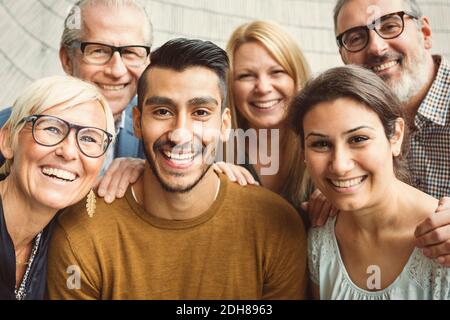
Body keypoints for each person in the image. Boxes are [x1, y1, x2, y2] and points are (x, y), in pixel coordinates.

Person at [46, 38, 307, 300]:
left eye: (201, 112)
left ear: (224, 124)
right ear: (137, 122)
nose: (180, 134)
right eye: (162, 111)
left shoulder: (277, 225)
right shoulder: (82, 231)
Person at [291, 65, 449, 299]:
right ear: (304, 151)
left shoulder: (444, 240)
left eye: (358, 139)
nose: (340, 165)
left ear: (395, 136)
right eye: (321, 144)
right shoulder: (319, 237)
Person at [330, 0, 450, 265]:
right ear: (344, 58)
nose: (376, 47)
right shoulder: (339, 126)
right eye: (356, 37)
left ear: (425, 33)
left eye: (390, 25)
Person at [0, 0, 152, 202]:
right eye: (99, 50)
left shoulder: (155, 130)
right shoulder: (10, 127)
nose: (117, 71)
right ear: (67, 59)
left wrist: (150, 173)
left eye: (131, 52)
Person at [0, 75, 115, 300]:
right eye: (52, 128)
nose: (69, 152)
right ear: (7, 140)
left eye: (90, 139)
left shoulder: (64, 240)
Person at [221, 20, 319, 218]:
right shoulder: (212, 152)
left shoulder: (325, 148)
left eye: (277, 72)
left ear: (297, 76)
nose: (263, 88)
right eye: (246, 76)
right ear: (230, 86)